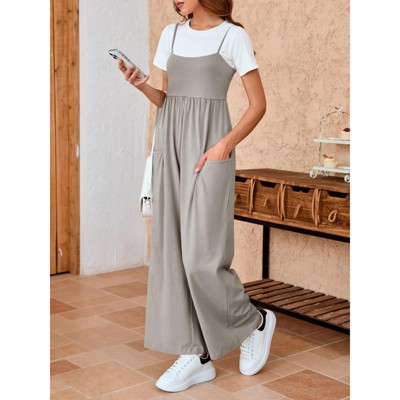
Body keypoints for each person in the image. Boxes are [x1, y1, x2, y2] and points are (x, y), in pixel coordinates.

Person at [118, 0, 276, 393]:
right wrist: (140, 83)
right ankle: (196, 354)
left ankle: (254, 322)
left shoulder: (232, 36)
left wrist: (225, 145)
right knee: (173, 253)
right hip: (169, 148)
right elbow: (169, 99)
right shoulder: (170, 34)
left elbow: (258, 104)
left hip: (209, 150)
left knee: (201, 257)